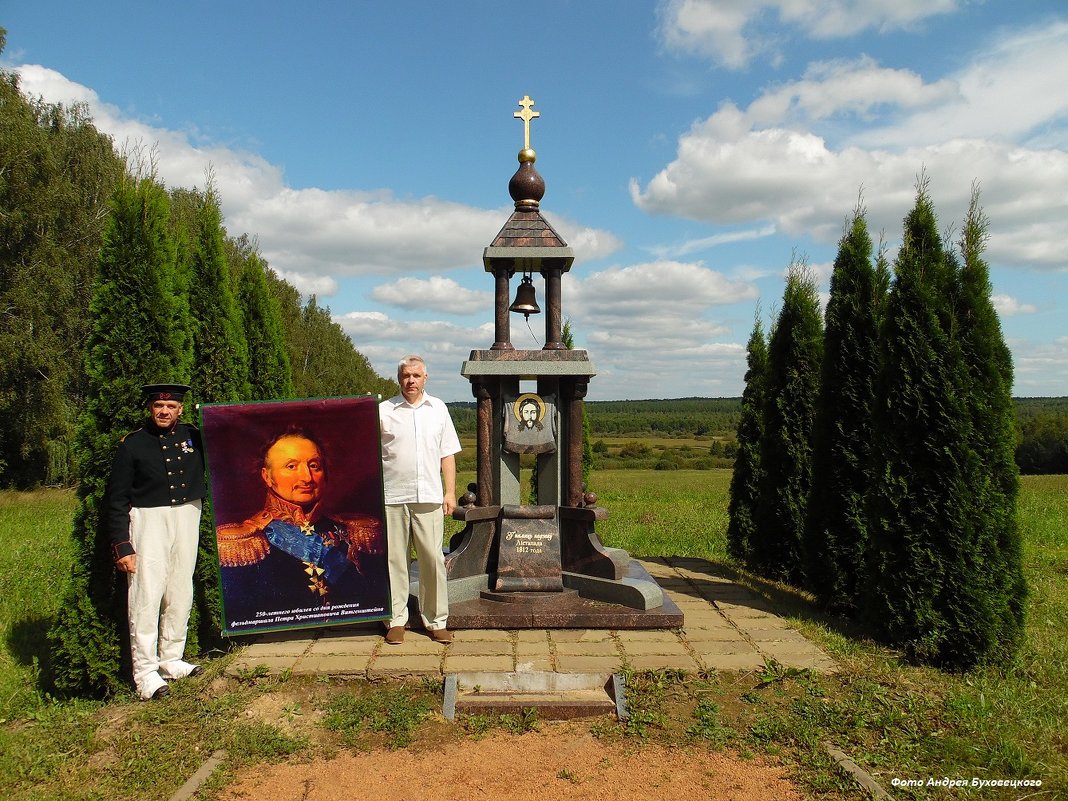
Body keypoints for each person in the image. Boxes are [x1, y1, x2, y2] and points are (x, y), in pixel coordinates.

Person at [215, 428, 384, 628]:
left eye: (314, 466)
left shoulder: (359, 531)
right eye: (291, 466)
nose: (307, 477)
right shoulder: (244, 542)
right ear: (267, 476)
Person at [108, 383, 205, 701]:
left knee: (180, 588)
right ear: (150, 408)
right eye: (158, 406)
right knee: (147, 594)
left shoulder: (194, 436)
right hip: (150, 520)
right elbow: (117, 498)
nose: (164, 411)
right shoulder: (132, 445)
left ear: (180, 409)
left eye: (171, 406)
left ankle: (171, 659)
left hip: (188, 514)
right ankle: (146, 673)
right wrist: (122, 544)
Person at [379, 355, 461, 644]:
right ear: (398, 379)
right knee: (394, 561)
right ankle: (396, 619)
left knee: (432, 560)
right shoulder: (383, 411)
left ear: (426, 378)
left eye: (416, 375)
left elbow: (447, 454)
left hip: (428, 496)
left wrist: (449, 492)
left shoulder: (438, 409)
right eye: (405, 376)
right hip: (392, 496)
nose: (410, 380)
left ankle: (436, 621)